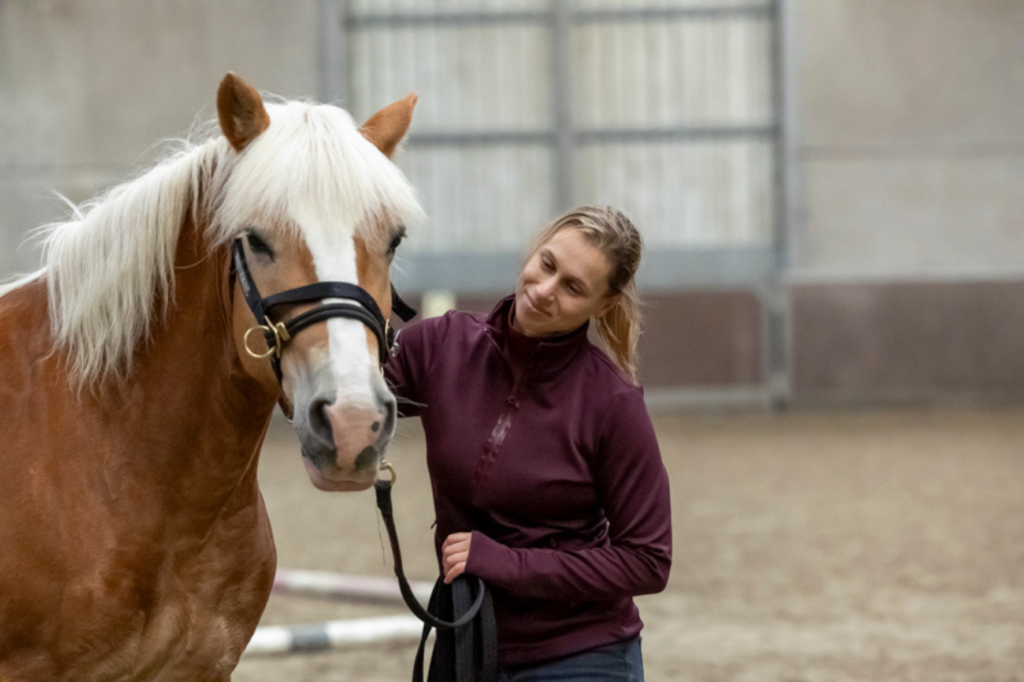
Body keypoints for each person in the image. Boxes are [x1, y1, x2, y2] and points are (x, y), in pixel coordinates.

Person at [385, 205, 672, 681]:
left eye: (573, 287)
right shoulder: (443, 345)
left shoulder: (614, 404)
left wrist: (506, 563)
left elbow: (647, 561)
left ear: (603, 306)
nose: (543, 291)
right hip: (468, 646)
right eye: (547, 264)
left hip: (580, 656)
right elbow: (346, 393)